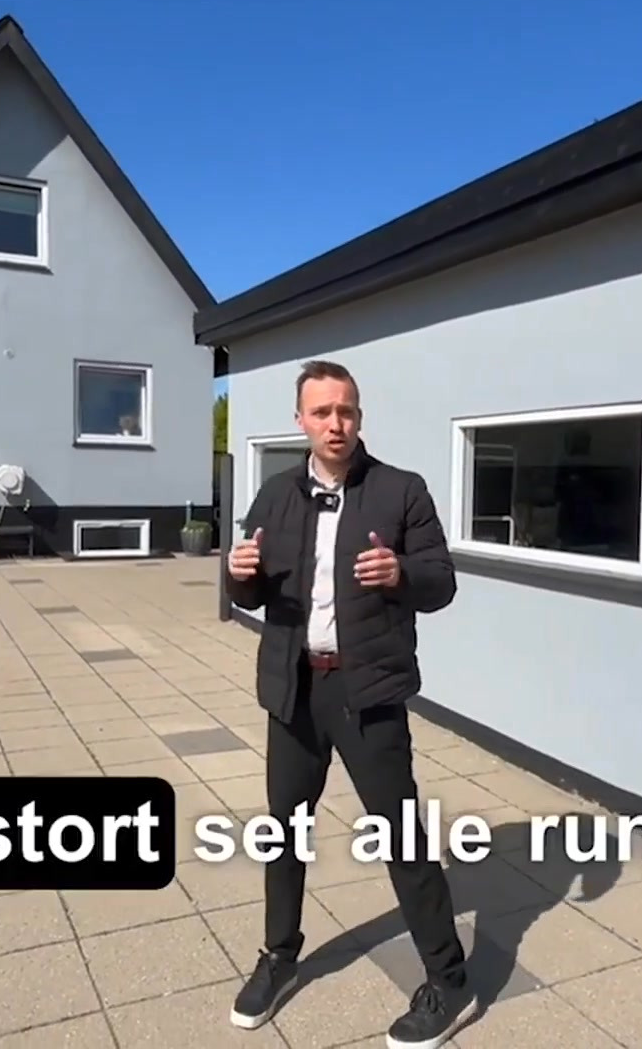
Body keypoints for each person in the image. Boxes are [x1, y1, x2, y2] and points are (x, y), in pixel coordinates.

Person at [224, 359, 473, 1049]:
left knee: (400, 836)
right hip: (295, 689)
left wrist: (401, 573)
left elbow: (441, 581)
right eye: (322, 412)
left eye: (347, 411)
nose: (336, 423)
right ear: (300, 420)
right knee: (284, 831)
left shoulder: (400, 491)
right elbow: (251, 590)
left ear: (359, 417)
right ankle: (279, 955)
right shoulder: (275, 494)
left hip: (369, 693)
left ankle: (449, 979)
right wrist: (236, 575)